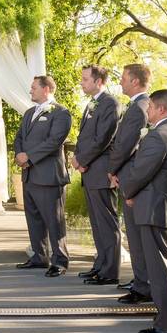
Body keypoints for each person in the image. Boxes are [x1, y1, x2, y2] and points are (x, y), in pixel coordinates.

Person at [118, 89, 167, 333]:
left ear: (161, 109)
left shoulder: (158, 135)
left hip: (155, 208)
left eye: (150, 107)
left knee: (160, 268)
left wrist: (128, 191)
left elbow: (140, 171)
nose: (147, 111)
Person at [13, 75, 73, 277]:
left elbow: (54, 141)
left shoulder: (61, 113)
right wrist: (19, 154)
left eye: (34, 87)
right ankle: (39, 256)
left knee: (54, 220)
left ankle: (60, 260)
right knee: (34, 219)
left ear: (46, 89)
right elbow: (19, 137)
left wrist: (29, 157)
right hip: (29, 175)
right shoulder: (29, 112)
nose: (31, 91)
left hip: (49, 176)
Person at [107, 64, 153, 304]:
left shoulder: (139, 108)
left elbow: (125, 144)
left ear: (135, 81)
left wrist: (112, 169)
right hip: (129, 176)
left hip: (133, 178)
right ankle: (140, 278)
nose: (121, 82)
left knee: (136, 235)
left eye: (124, 78)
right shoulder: (138, 106)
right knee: (133, 233)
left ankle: (143, 286)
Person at [72, 64, 121, 285]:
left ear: (98, 81)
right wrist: (77, 158)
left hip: (101, 171)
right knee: (97, 223)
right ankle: (100, 265)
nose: (81, 83)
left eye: (85, 79)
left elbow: (103, 138)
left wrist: (82, 160)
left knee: (107, 224)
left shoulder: (110, 103)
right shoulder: (93, 103)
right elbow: (86, 137)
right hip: (90, 172)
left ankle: (110, 272)